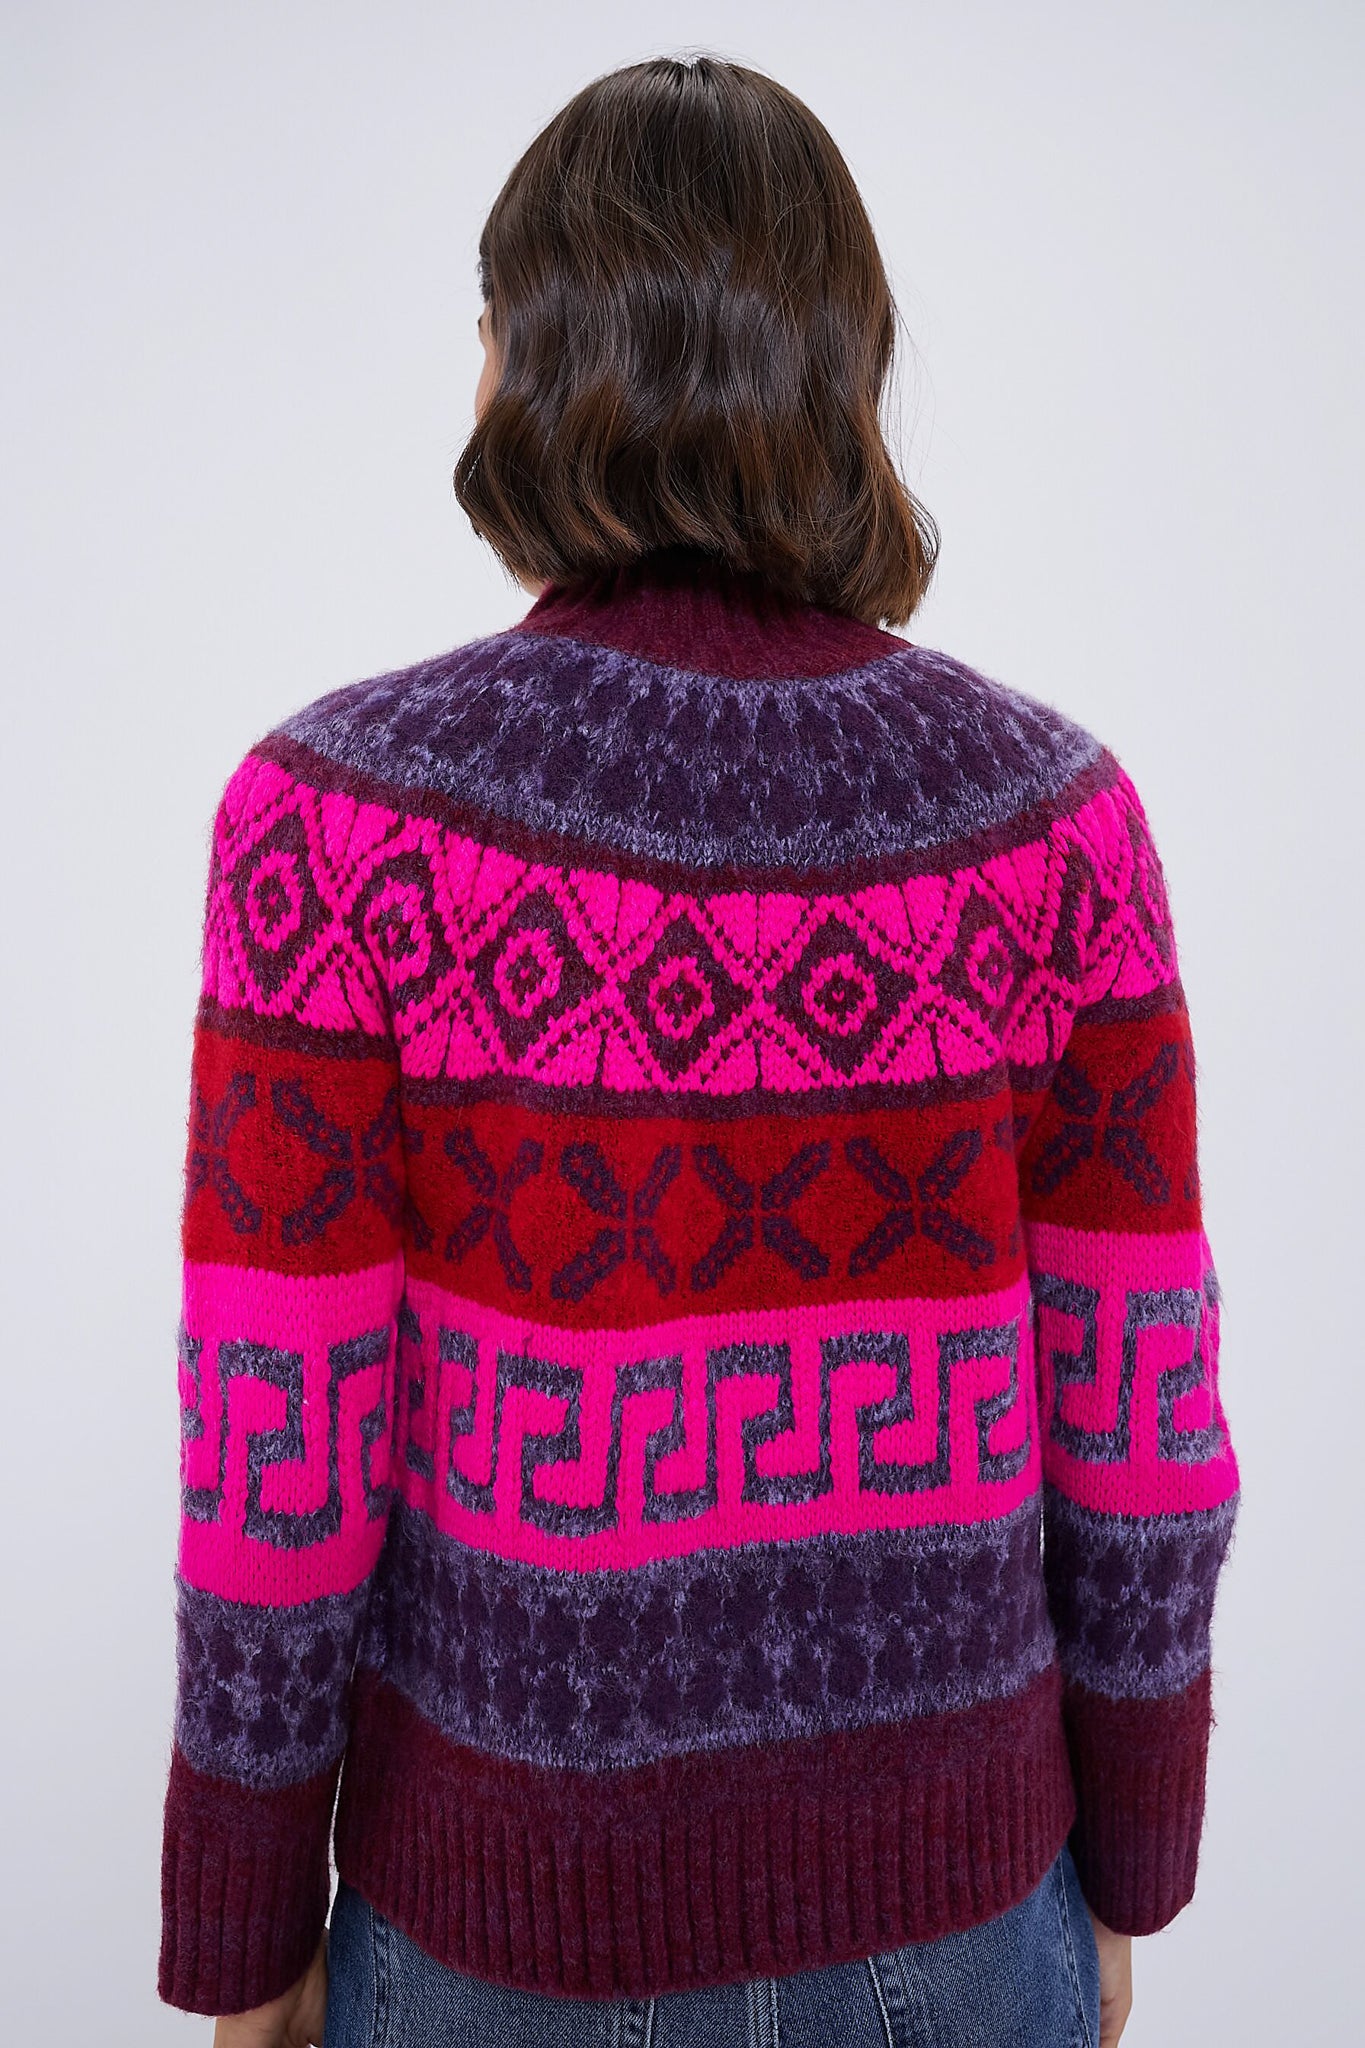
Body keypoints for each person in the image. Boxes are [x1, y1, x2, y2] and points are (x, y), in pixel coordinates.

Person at [156, 52, 1239, 2048]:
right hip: (958, 1913)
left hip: (494, 1934)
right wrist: (1131, 1862)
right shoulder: (1052, 820)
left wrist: (243, 1920)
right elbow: (1138, 1416)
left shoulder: (329, 822)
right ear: (840, 369)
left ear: (529, 363)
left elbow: (274, 1447)